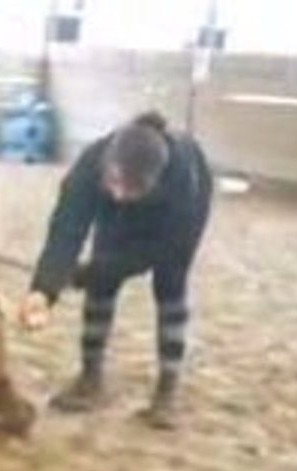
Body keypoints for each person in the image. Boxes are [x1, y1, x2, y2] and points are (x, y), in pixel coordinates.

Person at [18, 111, 213, 429]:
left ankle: (167, 389)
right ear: (107, 167)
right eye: (115, 184)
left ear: (155, 180)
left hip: (172, 222)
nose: (121, 194)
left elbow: (165, 249)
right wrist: (45, 289)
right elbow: (67, 229)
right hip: (116, 215)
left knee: (170, 286)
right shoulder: (92, 164)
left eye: (131, 189)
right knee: (101, 287)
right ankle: (90, 377)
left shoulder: (184, 177)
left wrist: (95, 270)